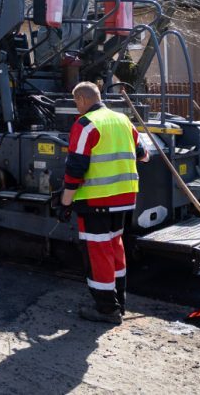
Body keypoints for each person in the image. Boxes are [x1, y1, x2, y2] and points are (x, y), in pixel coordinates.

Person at [56, 82, 149, 324]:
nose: (77, 108)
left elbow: (76, 167)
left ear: (82, 100)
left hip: (96, 199)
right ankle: (119, 301)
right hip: (125, 197)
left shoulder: (85, 124)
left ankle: (106, 309)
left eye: (76, 103)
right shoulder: (123, 120)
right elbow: (144, 155)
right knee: (115, 246)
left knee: (98, 251)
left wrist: (65, 202)